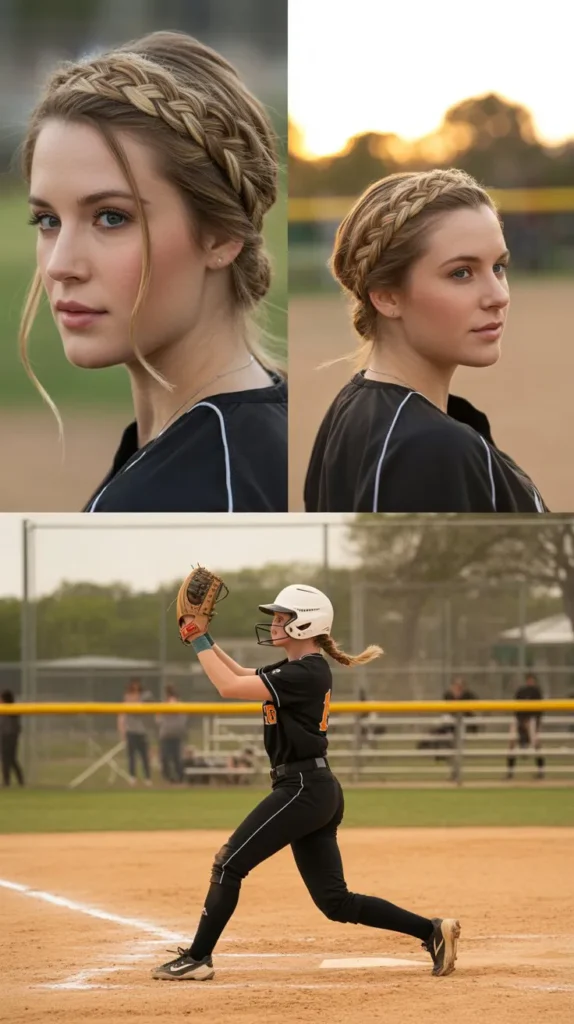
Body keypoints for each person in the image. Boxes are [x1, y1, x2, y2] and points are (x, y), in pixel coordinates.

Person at [19, 30, 287, 512]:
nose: (59, 265)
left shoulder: (192, 492)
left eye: (111, 217)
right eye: (48, 221)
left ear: (223, 234)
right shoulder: (261, 429)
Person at [152, 583, 461, 982]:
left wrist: (196, 637)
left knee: (228, 864)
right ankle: (432, 931)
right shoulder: (296, 670)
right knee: (336, 902)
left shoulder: (306, 671)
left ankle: (198, 958)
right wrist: (203, 637)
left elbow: (227, 687)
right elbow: (241, 674)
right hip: (312, 788)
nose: (275, 623)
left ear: (305, 625)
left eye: (283, 617)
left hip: (301, 787)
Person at [304, 168, 547, 513]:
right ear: (387, 296)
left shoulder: (354, 407)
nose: (498, 296)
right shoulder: (430, 446)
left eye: (499, 267)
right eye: (461, 273)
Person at [506, 673, 545, 780]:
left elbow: (540, 710)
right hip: (519, 719)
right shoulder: (521, 691)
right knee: (512, 743)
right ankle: (510, 773)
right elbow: (516, 707)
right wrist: (521, 721)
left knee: (536, 744)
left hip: (532, 720)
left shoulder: (537, 692)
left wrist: (535, 724)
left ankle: (541, 772)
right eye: (528, 680)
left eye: (532, 680)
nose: (530, 682)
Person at [118, 679, 152, 786]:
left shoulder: (143, 698)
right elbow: (122, 716)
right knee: (132, 756)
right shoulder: (127, 698)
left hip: (141, 731)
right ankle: (132, 777)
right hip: (131, 731)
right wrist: (122, 730)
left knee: (144, 756)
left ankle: (147, 778)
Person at [156, 685, 187, 784]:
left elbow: (183, 720)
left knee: (177, 758)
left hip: (176, 736)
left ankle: (180, 778)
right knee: (164, 758)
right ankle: (169, 778)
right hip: (166, 736)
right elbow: (158, 720)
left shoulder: (180, 706)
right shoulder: (163, 705)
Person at [1, 690, 25, 788]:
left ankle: (10, 781)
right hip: (4, 736)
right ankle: (11, 781)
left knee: (9, 759)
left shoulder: (12, 709)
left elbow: (15, 727)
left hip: (10, 737)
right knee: (8, 759)